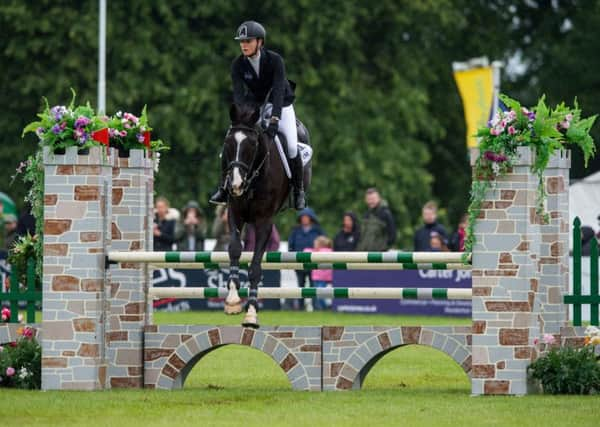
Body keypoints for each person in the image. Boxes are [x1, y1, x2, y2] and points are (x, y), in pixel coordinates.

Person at [210, 20, 305, 210]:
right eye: (242, 42)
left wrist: (274, 120)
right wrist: (239, 118)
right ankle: (223, 188)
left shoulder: (275, 60)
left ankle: (298, 191)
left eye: (248, 41)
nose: (244, 45)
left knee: (293, 147)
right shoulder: (237, 64)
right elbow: (238, 95)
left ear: (260, 42)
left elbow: (278, 91)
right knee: (231, 139)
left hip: (281, 104)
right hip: (255, 104)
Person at [288, 208, 324, 309]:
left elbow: (324, 243)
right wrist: (292, 260)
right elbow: (291, 245)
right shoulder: (295, 230)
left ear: (311, 218)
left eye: (306, 217)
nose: (304, 219)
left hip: (314, 263)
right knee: (300, 285)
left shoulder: (318, 230)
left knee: (314, 285)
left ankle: (316, 307)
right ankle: (300, 307)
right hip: (299, 263)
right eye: (302, 217)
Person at [305, 236, 333, 310]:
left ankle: (325, 308)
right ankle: (324, 307)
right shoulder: (330, 251)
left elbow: (306, 252)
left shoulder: (319, 252)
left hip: (320, 277)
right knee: (321, 294)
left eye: (315, 244)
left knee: (319, 294)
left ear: (320, 245)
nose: (314, 246)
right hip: (324, 277)